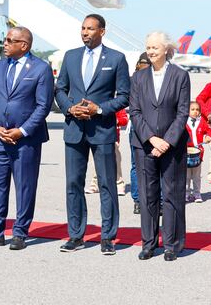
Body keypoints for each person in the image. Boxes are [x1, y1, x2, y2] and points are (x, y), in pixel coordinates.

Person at [0, 26, 54, 251]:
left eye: (8, 40)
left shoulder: (41, 68)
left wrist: (22, 131)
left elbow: (43, 106)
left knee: (24, 187)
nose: (3, 44)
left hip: (25, 140)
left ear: (23, 45)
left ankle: (20, 233)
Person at [55, 14, 130, 255]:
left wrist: (98, 109)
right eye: (83, 28)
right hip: (74, 129)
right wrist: (69, 107)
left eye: (90, 29)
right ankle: (76, 235)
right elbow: (60, 89)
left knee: (107, 185)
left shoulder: (117, 59)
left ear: (102, 31)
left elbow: (124, 96)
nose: (85, 32)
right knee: (73, 184)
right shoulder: (71, 56)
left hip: (102, 130)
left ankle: (108, 237)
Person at [129, 31, 190, 262]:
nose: (151, 51)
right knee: (147, 195)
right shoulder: (138, 77)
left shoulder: (180, 76)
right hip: (144, 144)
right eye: (148, 47)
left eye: (155, 47)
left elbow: (183, 112)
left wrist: (166, 141)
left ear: (166, 49)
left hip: (172, 145)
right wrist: (151, 139)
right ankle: (149, 243)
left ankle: (172, 244)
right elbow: (134, 111)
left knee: (172, 194)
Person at [84, 108, 128, 196]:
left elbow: (125, 119)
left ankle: (119, 184)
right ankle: (95, 184)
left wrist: (116, 120)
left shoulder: (115, 103)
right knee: (95, 162)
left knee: (116, 162)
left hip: (112, 138)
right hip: (96, 136)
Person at [129, 52, 151, 214]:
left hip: (137, 126)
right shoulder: (147, 80)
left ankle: (138, 200)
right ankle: (143, 200)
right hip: (144, 127)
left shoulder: (133, 79)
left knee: (136, 166)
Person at [185, 101, 211, 203]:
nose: (195, 112)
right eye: (192, 109)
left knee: (196, 176)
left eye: (197, 110)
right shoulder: (184, 122)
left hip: (198, 154)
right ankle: (187, 193)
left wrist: (209, 136)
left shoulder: (201, 121)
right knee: (186, 176)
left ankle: (197, 194)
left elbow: (210, 130)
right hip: (186, 153)